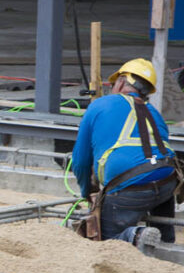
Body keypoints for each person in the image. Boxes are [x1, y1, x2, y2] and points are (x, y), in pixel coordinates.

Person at [71, 58, 178, 251]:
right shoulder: (155, 113)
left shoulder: (99, 105)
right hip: (168, 183)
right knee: (158, 192)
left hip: (129, 188)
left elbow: (80, 161)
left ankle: (136, 236)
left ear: (121, 82)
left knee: (105, 241)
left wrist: (87, 192)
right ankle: (166, 243)